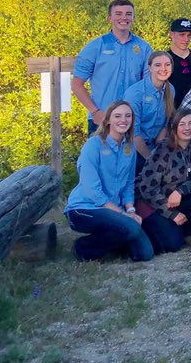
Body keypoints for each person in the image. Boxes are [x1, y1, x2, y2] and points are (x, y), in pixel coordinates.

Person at [64, 100, 153, 262]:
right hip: (85, 208)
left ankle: (110, 242)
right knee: (131, 228)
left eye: (128, 116)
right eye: (117, 116)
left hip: (114, 209)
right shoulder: (93, 145)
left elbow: (128, 184)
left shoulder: (130, 148)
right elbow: (92, 189)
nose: (123, 120)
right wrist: (123, 214)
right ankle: (83, 247)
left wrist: (131, 210)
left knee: (145, 254)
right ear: (108, 120)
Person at [135, 108, 191, 254]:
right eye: (182, 124)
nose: (187, 128)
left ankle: (187, 231)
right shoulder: (163, 150)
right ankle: (142, 235)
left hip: (178, 200)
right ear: (174, 126)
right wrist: (171, 214)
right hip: (153, 204)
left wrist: (180, 191)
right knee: (172, 245)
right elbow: (147, 188)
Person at [72, 0, 152, 132]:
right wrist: (95, 112)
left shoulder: (144, 48)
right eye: (118, 14)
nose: (124, 18)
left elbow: (148, 85)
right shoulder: (95, 47)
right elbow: (76, 84)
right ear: (109, 18)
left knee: (131, 154)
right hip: (102, 120)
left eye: (128, 14)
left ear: (133, 17)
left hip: (132, 120)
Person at [123, 51, 175, 165]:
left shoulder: (170, 89)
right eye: (157, 65)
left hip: (156, 147)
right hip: (133, 150)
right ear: (149, 68)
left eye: (167, 64)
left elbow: (168, 119)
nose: (163, 68)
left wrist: (161, 140)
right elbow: (133, 134)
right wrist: (151, 160)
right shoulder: (135, 94)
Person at [167, 17, 191, 102]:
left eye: (189, 35)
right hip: (171, 110)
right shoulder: (165, 59)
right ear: (171, 34)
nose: (186, 39)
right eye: (182, 34)